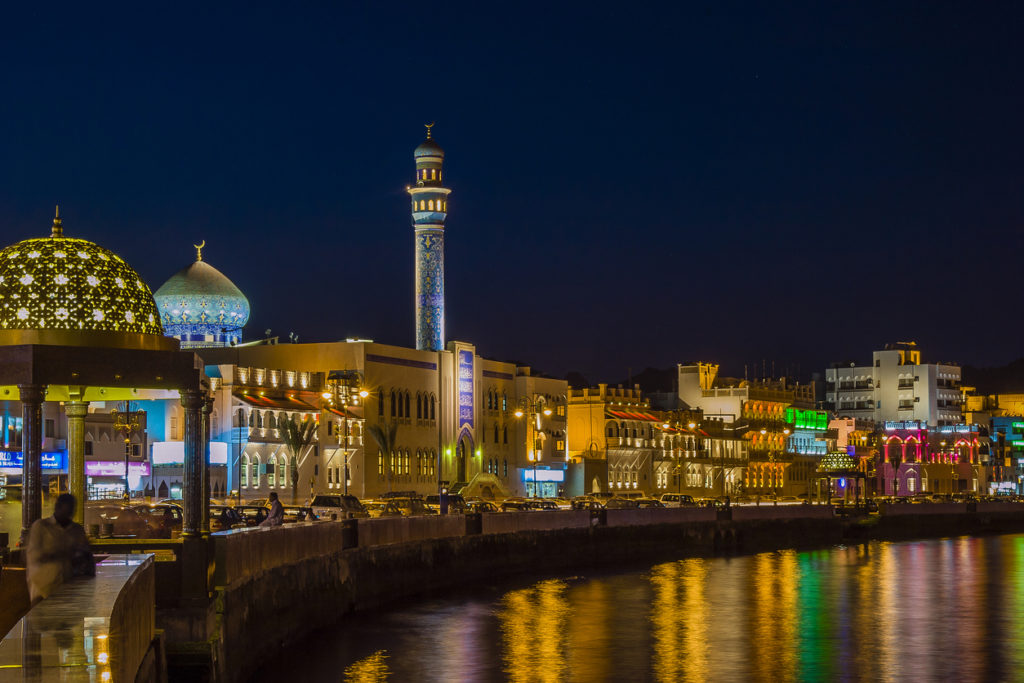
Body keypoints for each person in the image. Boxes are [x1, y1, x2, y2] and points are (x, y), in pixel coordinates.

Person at [26, 493, 94, 604]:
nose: (70, 514)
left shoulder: (76, 530)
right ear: (57, 507)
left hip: (69, 590)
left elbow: (85, 554)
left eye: (72, 510)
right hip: (43, 588)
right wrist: (64, 554)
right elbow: (35, 555)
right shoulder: (41, 527)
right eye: (67, 510)